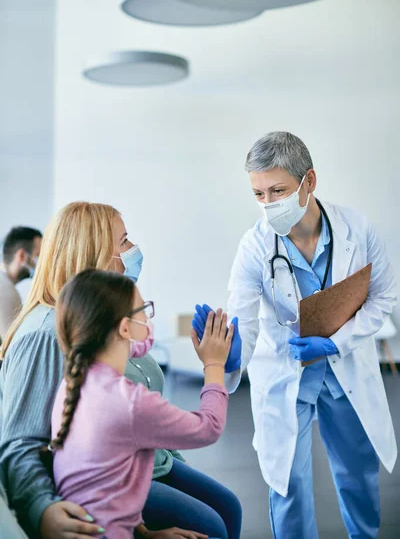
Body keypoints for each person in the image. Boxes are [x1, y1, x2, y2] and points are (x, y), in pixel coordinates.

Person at [193, 131, 397, 539]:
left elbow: (384, 299)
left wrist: (337, 341)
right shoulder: (254, 247)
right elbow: (244, 320)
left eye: (278, 190)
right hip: (288, 375)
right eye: (259, 194)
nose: (269, 204)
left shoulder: (356, 229)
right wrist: (231, 354)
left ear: (310, 181)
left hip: (344, 370)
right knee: (288, 483)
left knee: (358, 475)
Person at [0, 202, 241, 539]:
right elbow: (20, 444)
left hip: (145, 464)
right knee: (211, 526)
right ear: (95, 253)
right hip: (105, 480)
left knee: (228, 508)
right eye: (124, 241)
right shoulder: (45, 332)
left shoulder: (104, 322)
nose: (134, 251)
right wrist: (42, 509)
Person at [50, 268, 233, 539]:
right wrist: (215, 363)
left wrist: (145, 533)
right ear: (124, 327)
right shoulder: (128, 401)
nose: (148, 318)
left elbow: (108, 485)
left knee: (229, 509)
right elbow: (209, 427)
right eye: (143, 310)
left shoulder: (75, 381)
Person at [0, 227, 42, 340]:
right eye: (38, 255)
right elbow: (12, 345)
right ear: (22, 256)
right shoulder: (5, 290)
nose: (41, 263)